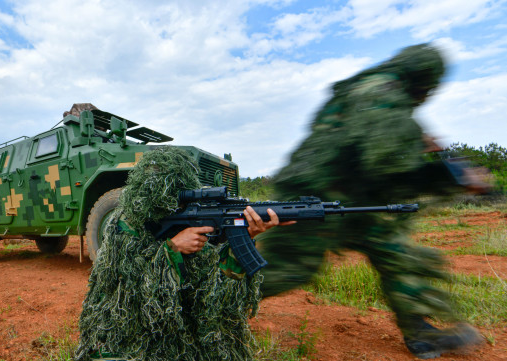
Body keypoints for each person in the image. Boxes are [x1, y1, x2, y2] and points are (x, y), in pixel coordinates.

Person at [258, 43, 488, 359]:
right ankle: (210, 299)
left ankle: (421, 333)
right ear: (424, 79)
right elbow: (387, 172)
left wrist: (415, 143)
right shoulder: (382, 94)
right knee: (289, 270)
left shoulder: (372, 92)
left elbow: (365, 147)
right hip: (318, 198)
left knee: (398, 254)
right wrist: (451, 179)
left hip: (354, 199)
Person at [74, 147, 287, 361]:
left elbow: (212, 298)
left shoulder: (193, 219)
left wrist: (244, 236)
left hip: (177, 325)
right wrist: (173, 248)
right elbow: (135, 300)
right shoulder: (123, 225)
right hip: (126, 334)